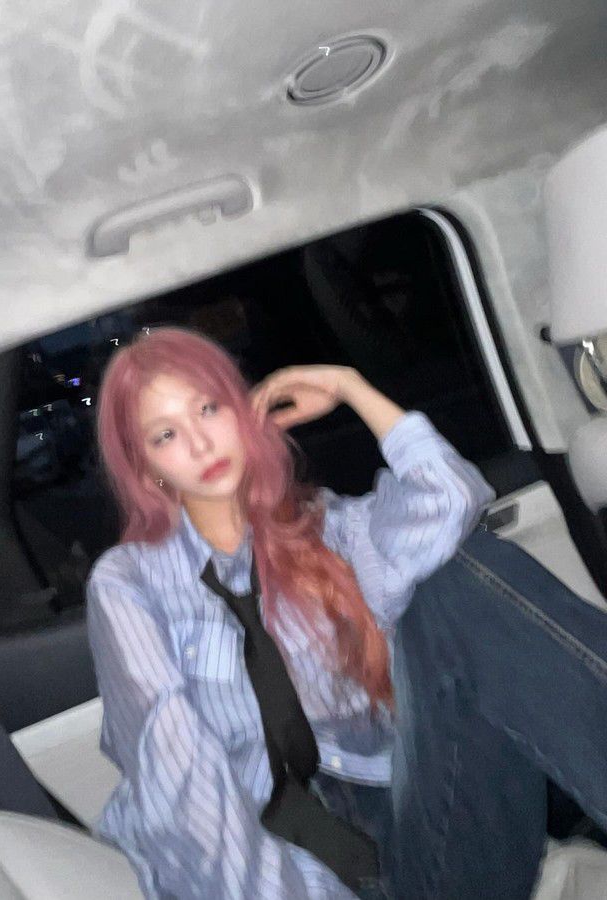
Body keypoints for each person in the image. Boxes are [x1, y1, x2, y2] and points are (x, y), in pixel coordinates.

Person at [86, 326, 607, 899]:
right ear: (148, 469)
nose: (200, 443)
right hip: (285, 872)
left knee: (453, 577)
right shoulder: (130, 584)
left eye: (208, 408)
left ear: (243, 409)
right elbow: (182, 788)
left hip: (411, 839)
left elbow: (451, 500)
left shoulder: (322, 532)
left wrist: (351, 388)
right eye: (166, 435)